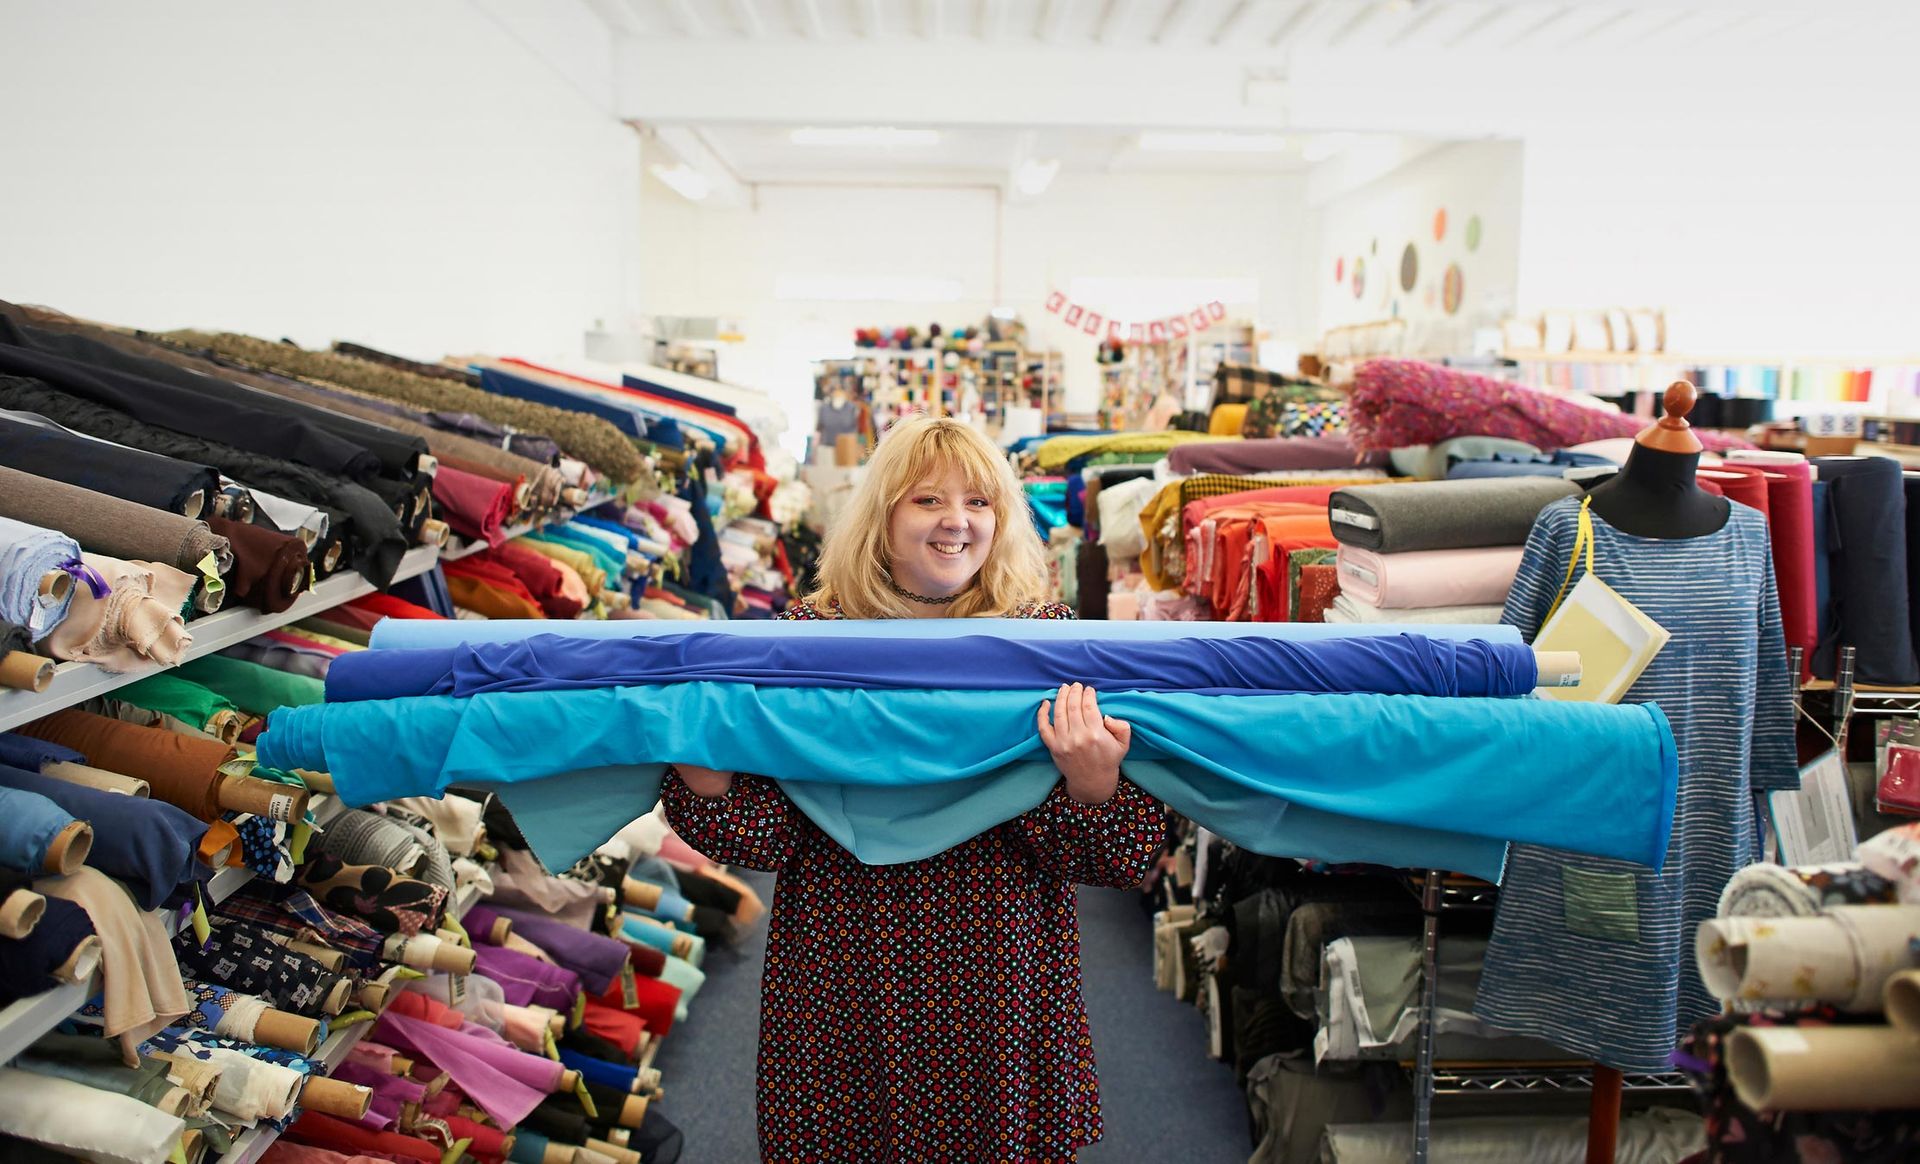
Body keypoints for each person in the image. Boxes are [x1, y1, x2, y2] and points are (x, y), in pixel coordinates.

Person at [661, 416, 1166, 1162]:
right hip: (844, 971)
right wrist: (704, 775)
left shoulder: (1045, 640)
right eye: (927, 500)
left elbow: (1119, 859)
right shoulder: (810, 639)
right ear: (884, 513)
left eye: (980, 502)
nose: (956, 522)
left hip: (995, 969)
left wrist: (1094, 784)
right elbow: (766, 837)